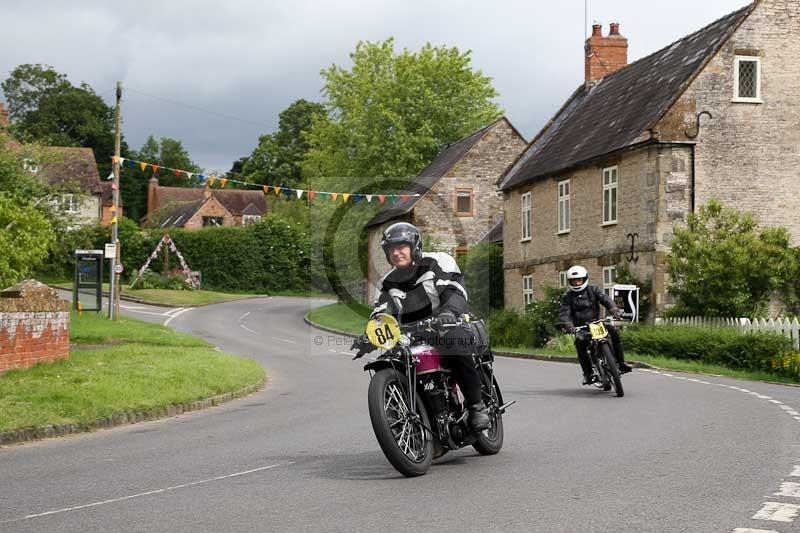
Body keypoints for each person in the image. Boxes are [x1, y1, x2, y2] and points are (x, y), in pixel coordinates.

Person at [355, 222, 490, 431]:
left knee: (454, 344)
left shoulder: (438, 261)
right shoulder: (386, 283)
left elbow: (455, 290)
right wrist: (369, 335)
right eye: (391, 249)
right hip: (412, 334)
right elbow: (381, 314)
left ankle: (476, 406)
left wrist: (447, 313)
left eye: (401, 247)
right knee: (394, 359)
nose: (396, 253)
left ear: (414, 246)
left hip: (447, 323)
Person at [558, 265, 633, 385]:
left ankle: (621, 363)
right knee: (580, 343)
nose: (577, 283)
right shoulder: (567, 297)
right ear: (569, 281)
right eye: (574, 281)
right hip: (581, 327)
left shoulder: (593, 289)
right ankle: (588, 374)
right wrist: (569, 325)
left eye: (579, 280)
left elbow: (605, 299)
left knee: (614, 332)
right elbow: (564, 313)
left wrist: (613, 309)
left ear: (584, 279)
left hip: (597, 323)